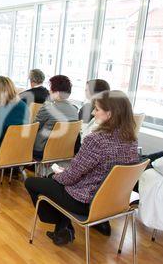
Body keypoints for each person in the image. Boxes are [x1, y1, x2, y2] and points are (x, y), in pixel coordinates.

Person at [25, 90, 139, 245]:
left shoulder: (96, 140)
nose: (93, 112)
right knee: (54, 180)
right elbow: (101, 171)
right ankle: (63, 228)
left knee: (33, 182)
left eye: (97, 109)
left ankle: (62, 226)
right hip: (114, 201)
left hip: (85, 202)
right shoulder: (131, 140)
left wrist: (57, 175)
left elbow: (70, 177)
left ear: (110, 114)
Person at [33, 75, 79, 160]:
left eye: (51, 90)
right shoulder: (74, 109)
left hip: (42, 150)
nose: (49, 92)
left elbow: (34, 127)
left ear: (57, 93)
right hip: (64, 150)